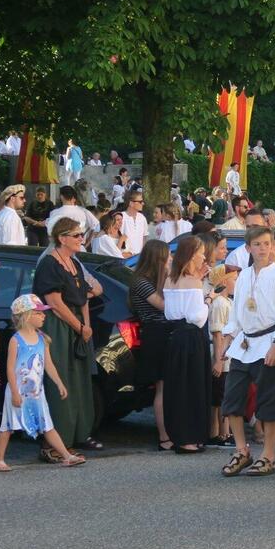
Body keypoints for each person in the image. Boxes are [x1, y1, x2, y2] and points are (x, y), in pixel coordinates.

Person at [218, 226, 275, 477]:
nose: (263, 249)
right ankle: (242, 450)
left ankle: (269, 455)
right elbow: (238, 309)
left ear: (273, 246)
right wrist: (228, 338)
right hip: (244, 343)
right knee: (232, 398)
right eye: (257, 245)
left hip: (269, 341)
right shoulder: (243, 276)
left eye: (267, 244)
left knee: (268, 401)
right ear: (249, 248)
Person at [0, 294, 85, 471]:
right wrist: (14, 392)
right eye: (39, 313)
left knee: (47, 425)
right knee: (8, 425)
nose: (44, 316)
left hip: (36, 392)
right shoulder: (16, 340)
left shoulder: (42, 339)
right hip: (17, 391)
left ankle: (67, 456)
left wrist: (59, 382)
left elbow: (48, 364)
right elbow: (10, 368)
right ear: (26, 315)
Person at [34, 217, 101, 457]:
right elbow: (53, 301)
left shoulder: (73, 262)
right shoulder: (50, 264)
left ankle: (78, 434)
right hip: (58, 325)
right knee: (59, 379)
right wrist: (78, 326)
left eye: (81, 234)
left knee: (78, 380)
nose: (81, 239)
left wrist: (86, 326)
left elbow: (83, 296)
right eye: (76, 235)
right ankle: (54, 442)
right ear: (62, 238)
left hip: (77, 325)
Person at [162, 236, 215, 454]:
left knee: (178, 387)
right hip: (193, 339)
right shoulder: (192, 283)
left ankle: (180, 436)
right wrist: (209, 299)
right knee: (193, 386)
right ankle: (190, 437)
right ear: (192, 254)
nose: (203, 256)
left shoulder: (169, 280)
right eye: (201, 252)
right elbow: (198, 317)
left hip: (175, 337)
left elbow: (168, 311)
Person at [129, 240, 173, 451]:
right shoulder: (141, 281)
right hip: (156, 334)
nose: (170, 260)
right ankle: (164, 436)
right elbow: (164, 305)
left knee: (169, 386)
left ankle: (172, 430)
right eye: (167, 257)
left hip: (167, 333)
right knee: (162, 387)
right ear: (158, 258)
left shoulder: (158, 279)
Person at [207, 265, 237, 445]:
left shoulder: (229, 302)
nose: (237, 282)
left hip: (229, 353)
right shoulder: (219, 304)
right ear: (224, 282)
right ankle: (220, 433)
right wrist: (218, 361)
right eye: (234, 279)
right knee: (220, 395)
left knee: (223, 394)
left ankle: (223, 432)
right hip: (221, 354)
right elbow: (217, 333)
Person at [119, 190, 148, 255]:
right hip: (125, 257)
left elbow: (144, 237)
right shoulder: (121, 217)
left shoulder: (142, 218)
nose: (143, 203)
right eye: (140, 202)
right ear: (131, 203)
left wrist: (143, 254)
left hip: (138, 258)